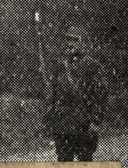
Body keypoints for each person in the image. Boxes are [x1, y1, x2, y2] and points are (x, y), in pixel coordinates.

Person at [43, 25, 108, 162]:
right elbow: (52, 93)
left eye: (74, 40)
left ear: (83, 43)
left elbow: (100, 97)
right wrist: (51, 117)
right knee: (64, 160)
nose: (70, 43)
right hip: (63, 125)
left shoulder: (93, 67)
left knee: (84, 160)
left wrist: (95, 122)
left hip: (83, 125)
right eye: (68, 39)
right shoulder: (59, 66)